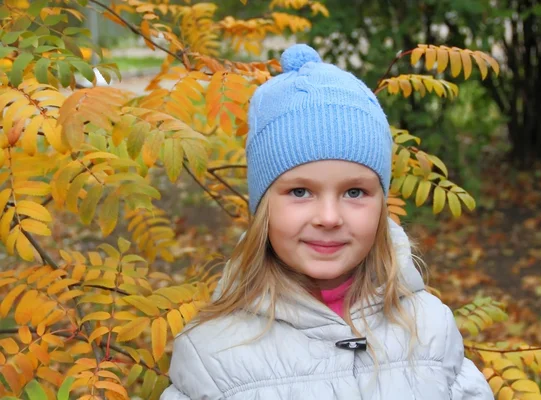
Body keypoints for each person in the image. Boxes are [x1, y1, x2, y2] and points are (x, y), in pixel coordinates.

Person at [160, 43, 493, 400]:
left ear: (383, 204)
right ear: (262, 207)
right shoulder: (211, 356)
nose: (330, 218)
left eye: (354, 193)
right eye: (301, 192)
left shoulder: (430, 329)